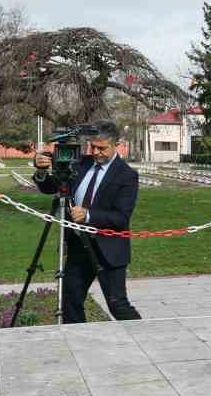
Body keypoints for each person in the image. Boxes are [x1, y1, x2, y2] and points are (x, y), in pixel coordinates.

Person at [33, 124, 143, 323]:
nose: (96, 152)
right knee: (70, 301)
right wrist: (41, 171)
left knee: (117, 305)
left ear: (116, 145)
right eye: (92, 147)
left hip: (109, 249)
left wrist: (89, 215)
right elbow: (51, 187)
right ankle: (76, 341)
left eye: (102, 148)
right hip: (79, 247)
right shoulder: (80, 163)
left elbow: (121, 218)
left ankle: (146, 337)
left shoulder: (127, 175)